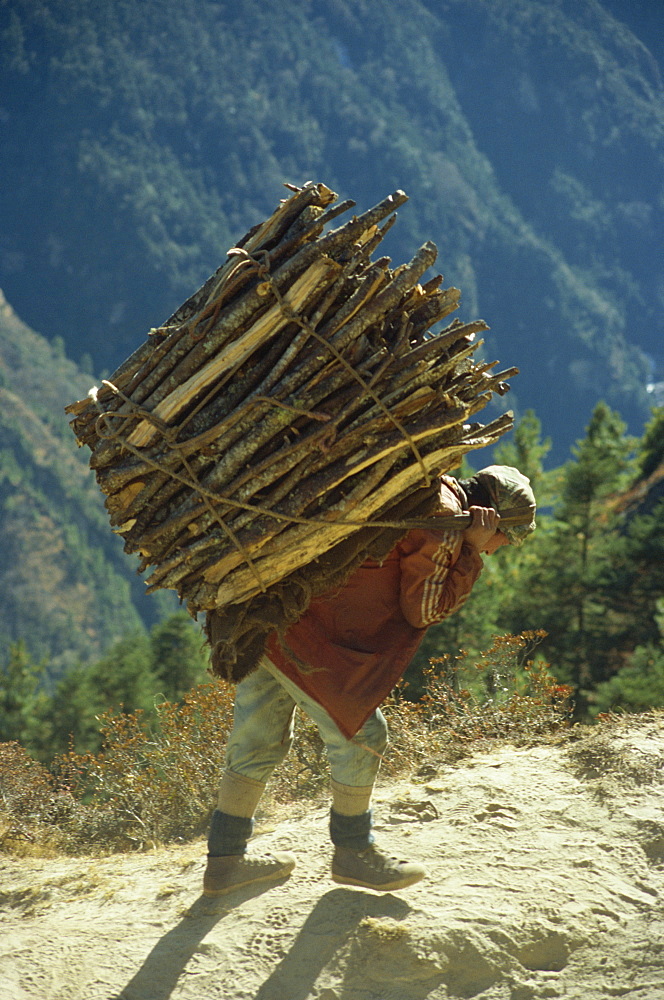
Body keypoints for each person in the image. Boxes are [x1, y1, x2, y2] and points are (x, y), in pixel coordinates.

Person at [203, 465, 536, 896]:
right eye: (505, 537)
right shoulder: (446, 525)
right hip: (315, 643)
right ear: (490, 516)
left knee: (258, 739)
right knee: (363, 737)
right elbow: (425, 610)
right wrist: (468, 552)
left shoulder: (426, 491)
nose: (499, 548)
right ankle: (354, 853)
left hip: (271, 618)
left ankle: (226, 861)